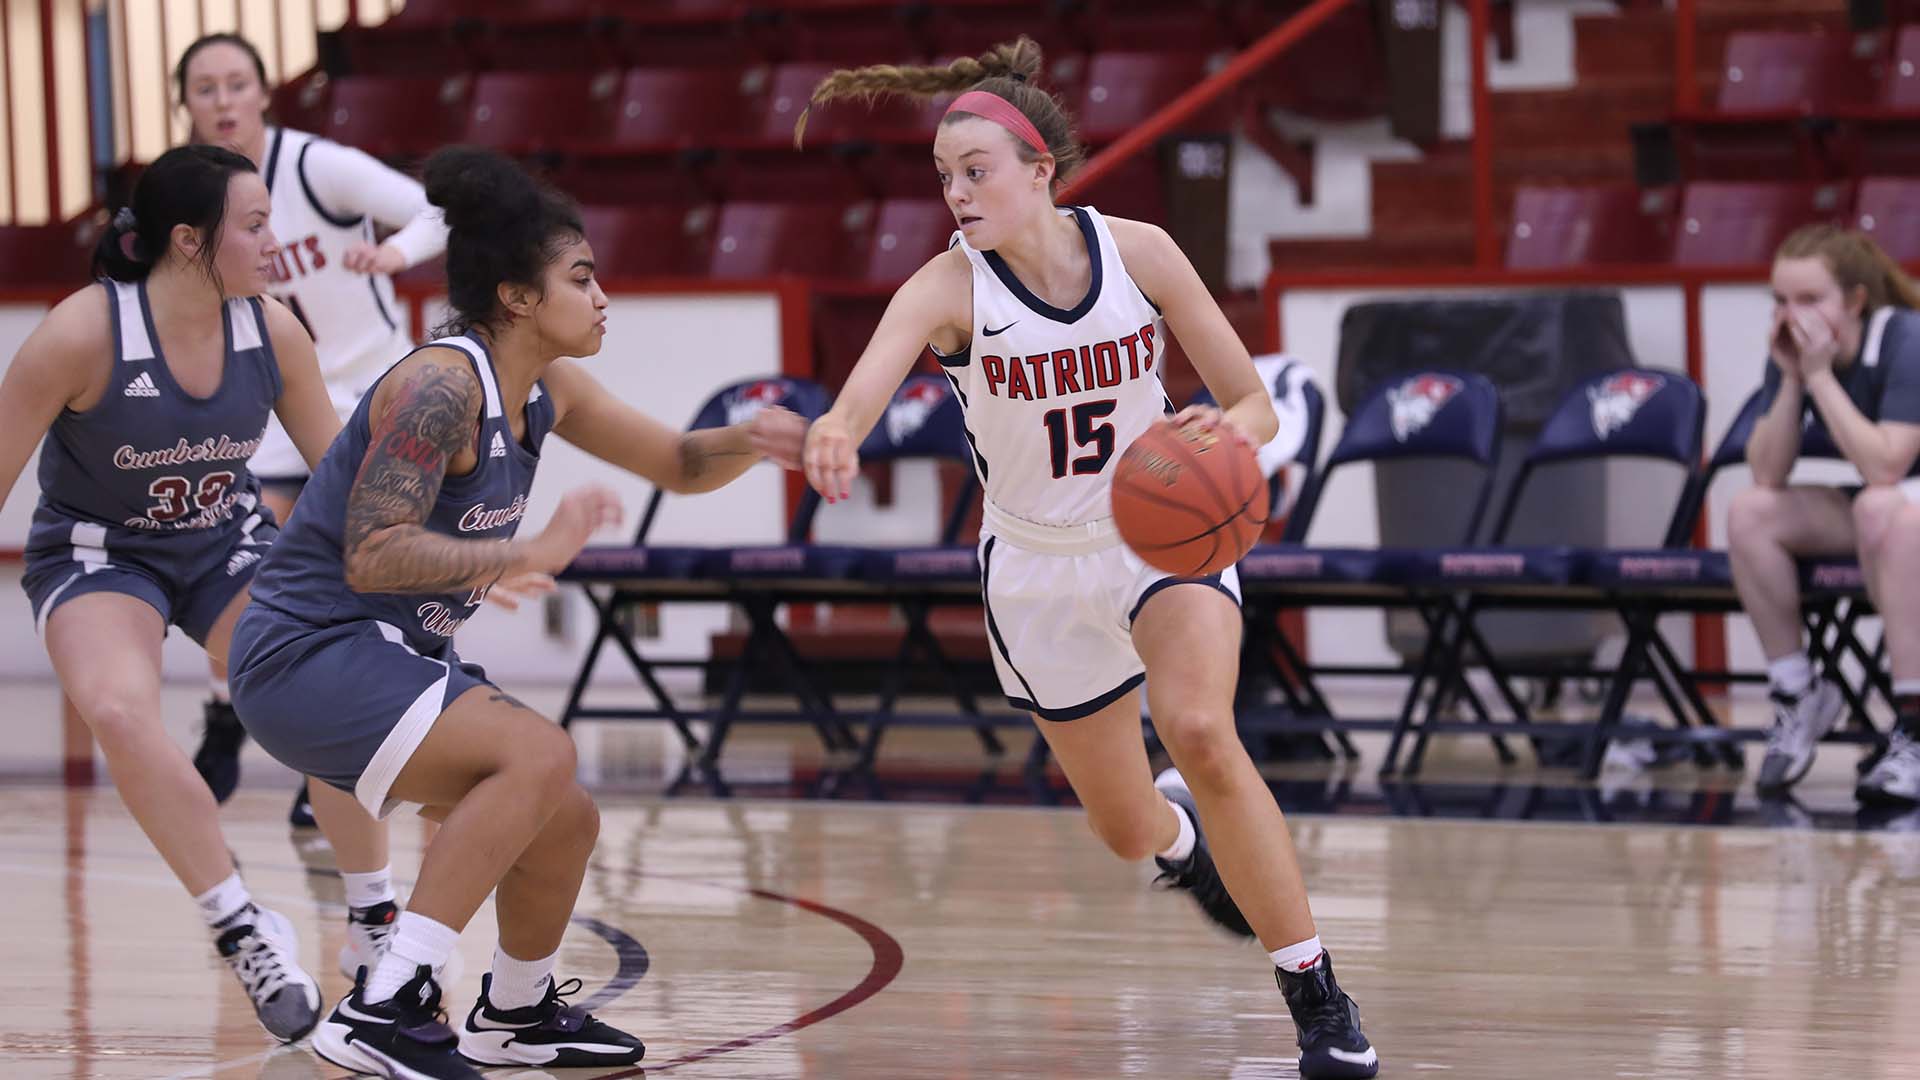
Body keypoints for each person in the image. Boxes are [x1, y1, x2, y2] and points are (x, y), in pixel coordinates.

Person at [795, 38, 1378, 1080]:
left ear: (1041, 173)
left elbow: (1247, 397)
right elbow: (866, 381)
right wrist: (837, 427)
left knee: (1200, 727)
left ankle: (1319, 1000)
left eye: (976, 171)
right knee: (1119, 828)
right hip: (1034, 569)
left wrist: (1215, 446)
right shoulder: (947, 289)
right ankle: (1176, 848)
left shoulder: (1143, 254)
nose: (957, 193)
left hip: (1158, 537)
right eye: (943, 176)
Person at [228, 145, 808, 1078]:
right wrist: (522, 553)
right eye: (581, 277)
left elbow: (677, 464)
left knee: (562, 813)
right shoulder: (439, 386)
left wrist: (759, 441)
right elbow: (371, 553)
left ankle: (516, 1012)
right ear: (519, 297)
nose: (602, 295)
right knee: (539, 751)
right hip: (304, 652)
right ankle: (390, 1002)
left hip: (381, 653)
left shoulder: (549, 387)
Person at [0, 144, 342, 1040]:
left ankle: (381, 928)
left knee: (333, 682)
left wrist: (448, 560)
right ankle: (240, 923)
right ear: (189, 241)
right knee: (118, 709)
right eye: (257, 225)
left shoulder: (272, 331)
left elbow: (348, 485)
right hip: (97, 553)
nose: (276, 242)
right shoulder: (80, 334)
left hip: (223, 541)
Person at [174, 32, 449, 836]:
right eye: (204, 88)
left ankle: (352, 747)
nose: (222, 100)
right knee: (247, 571)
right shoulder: (189, 193)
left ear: (264, 94)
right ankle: (238, 719)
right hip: (265, 403)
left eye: (236, 84)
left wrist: (393, 251)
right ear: (185, 105)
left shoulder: (313, 165)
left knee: (356, 577)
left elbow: (437, 208)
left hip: (365, 399)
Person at [1728, 225, 1920, 805]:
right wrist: (1792, 378)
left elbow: (1887, 465)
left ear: (1856, 301)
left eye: (1810, 300)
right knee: (1751, 512)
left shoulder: (1905, 337)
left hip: (1896, 501)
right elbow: (1766, 471)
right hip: (1895, 512)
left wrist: (1818, 378)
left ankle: (1914, 724)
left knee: (1880, 505)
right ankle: (1797, 692)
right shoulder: (1795, 350)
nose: (1792, 315)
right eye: (1780, 302)